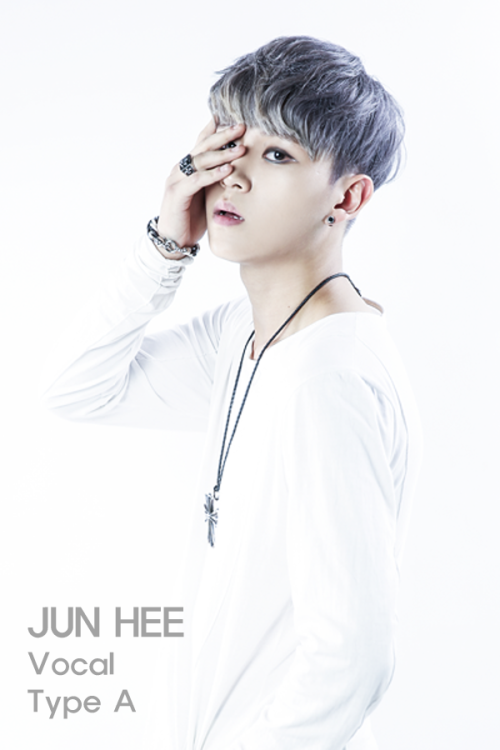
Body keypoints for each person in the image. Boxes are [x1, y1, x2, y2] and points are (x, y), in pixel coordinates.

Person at [42, 35, 423, 750]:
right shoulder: (245, 336)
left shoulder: (329, 374)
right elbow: (78, 389)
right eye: (228, 144)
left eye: (277, 155)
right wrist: (165, 243)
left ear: (348, 195)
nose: (233, 176)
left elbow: (353, 658)